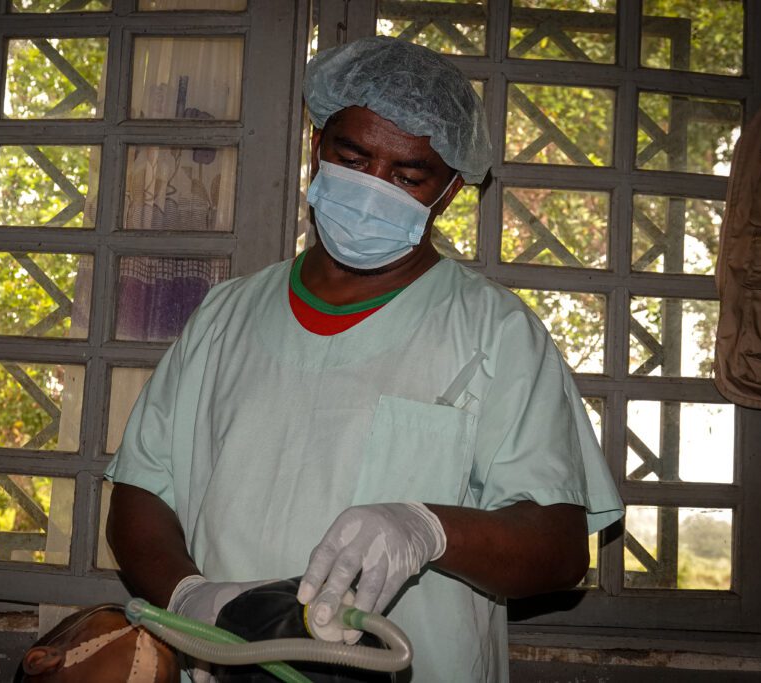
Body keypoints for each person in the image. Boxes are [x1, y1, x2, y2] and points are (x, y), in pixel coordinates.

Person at [106, 36, 624, 682]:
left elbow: (558, 544)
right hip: (222, 665)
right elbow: (138, 492)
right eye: (353, 159)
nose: (373, 189)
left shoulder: (496, 334)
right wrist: (190, 597)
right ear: (316, 146)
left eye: (407, 177)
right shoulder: (225, 317)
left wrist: (428, 527)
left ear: (451, 190)